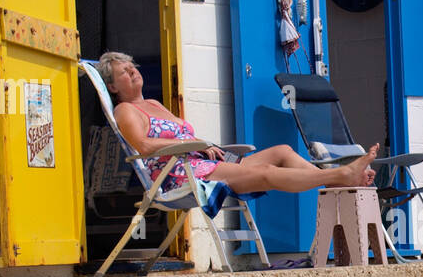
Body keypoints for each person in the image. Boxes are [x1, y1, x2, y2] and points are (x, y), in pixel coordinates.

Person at [98, 51, 377, 195]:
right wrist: (190, 144)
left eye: (131, 66)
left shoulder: (155, 105)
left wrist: (204, 146)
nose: (132, 71)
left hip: (202, 163)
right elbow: (144, 146)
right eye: (123, 71)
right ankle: (339, 177)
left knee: (282, 151)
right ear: (112, 87)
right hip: (181, 175)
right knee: (266, 173)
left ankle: (334, 185)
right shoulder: (126, 110)